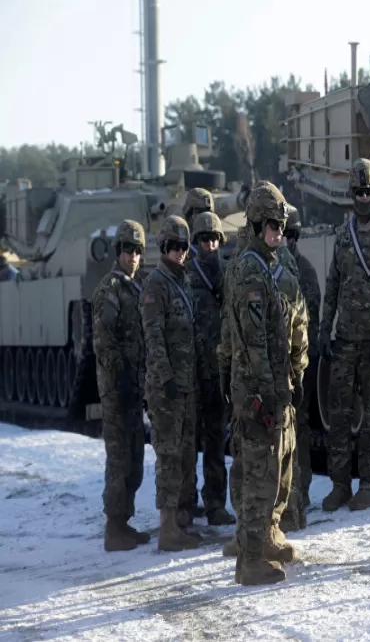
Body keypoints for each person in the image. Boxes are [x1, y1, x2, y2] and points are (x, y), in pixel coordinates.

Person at [223, 181, 296, 586]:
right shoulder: (251, 269)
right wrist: (270, 396)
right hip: (256, 392)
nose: (278, 232)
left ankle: (261, 543)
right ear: (254, 223)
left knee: (266, 473)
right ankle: (249, 559)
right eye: (271, 224)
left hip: (260, 388)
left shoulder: (257, 263)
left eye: (282, 225)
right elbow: (254, 345)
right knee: (258, 476)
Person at [319, 159, 370, 512]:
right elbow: (332, 284)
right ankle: (339, 484)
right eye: (358, 192)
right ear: (351, 194)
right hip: (345, 339)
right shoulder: (342, 235)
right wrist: (324, 328)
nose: (363, 198)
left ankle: (368, 485)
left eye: (368, 191)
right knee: (339, 414)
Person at [141, 215, 207, 552]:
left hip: (185, 385)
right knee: (168, 454)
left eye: (184, 246)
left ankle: (179, 520)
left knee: (183, 454)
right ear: (163, 247)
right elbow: (153, 338)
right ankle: (167, 527)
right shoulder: (156, 284)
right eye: (174, 246)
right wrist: (165, 378)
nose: (180, 252)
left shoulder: (183, 281)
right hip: (167, 387)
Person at [91, 220, 149, 551]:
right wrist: (123, 378)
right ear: (118, 252)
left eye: (138, 251)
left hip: (133, 390)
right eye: (128, 250)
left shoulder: (133, 288)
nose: (133, 256)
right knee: (119, 459)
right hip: (117, 391)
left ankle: (123, 521)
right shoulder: (110, 290)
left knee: (135, 460)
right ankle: (114, 527)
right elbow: (104, 342)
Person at [185, 210, 235, 526]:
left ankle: (216, 503)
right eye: (204, 239)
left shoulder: (227, 275)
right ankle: (187, 503)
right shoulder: (186, 275)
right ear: (196, 241)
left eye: (215, 238)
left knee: (216, 441)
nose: (210, 244)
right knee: (188, 444)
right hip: (192, 371)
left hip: (218, 371)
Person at [283, 205, 321, 518]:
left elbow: (314, 323)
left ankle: (302, 492)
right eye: (285, 233)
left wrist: (304, 366)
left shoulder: (304, 271)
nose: (289, 240)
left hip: (299, 365)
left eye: (293, 235)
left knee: (301, 430)